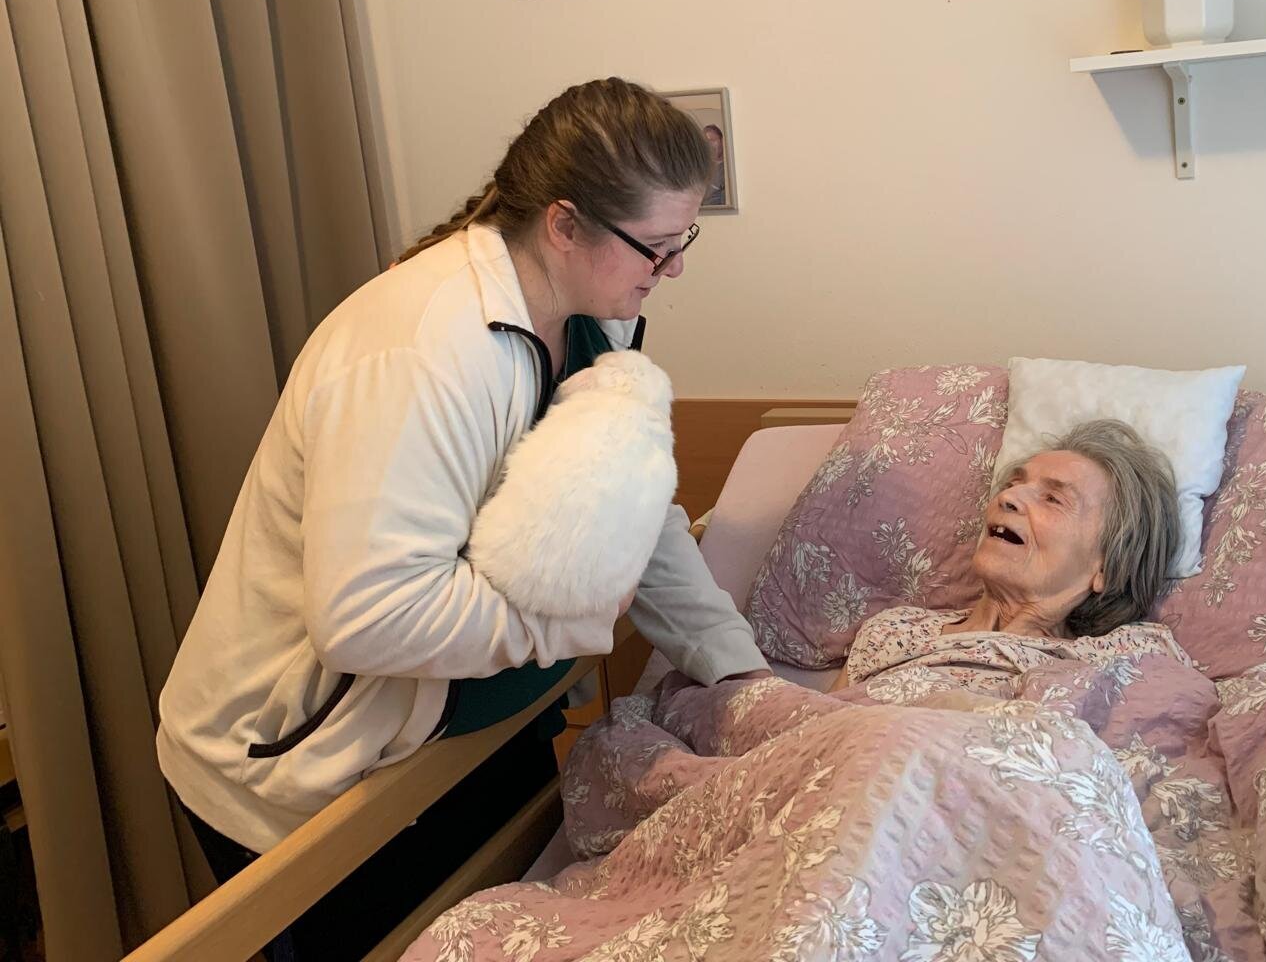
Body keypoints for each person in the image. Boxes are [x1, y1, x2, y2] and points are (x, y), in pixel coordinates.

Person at [157, 77, 769, 959]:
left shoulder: (595, 321)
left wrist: (735, 669)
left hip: (450, 722)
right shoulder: (422, 353)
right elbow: (369, 617)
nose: (673, 269)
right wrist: (575, 621)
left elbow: (633, 510)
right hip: (300, 763)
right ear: (564, 225)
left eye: (685, 242)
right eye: (657, 246)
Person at [831, 419, 1182, 693]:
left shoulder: (1135, 654)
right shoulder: (893, 632)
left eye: (1053, 499)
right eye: (1013, 484)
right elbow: (813, 730)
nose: (1007, 498)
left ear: (1107, 565)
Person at [701, 123, 727, 206]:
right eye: (706, 142)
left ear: (722, 141)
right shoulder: (701, 170)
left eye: (712, 140)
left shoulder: (728, 169)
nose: (709, 145)